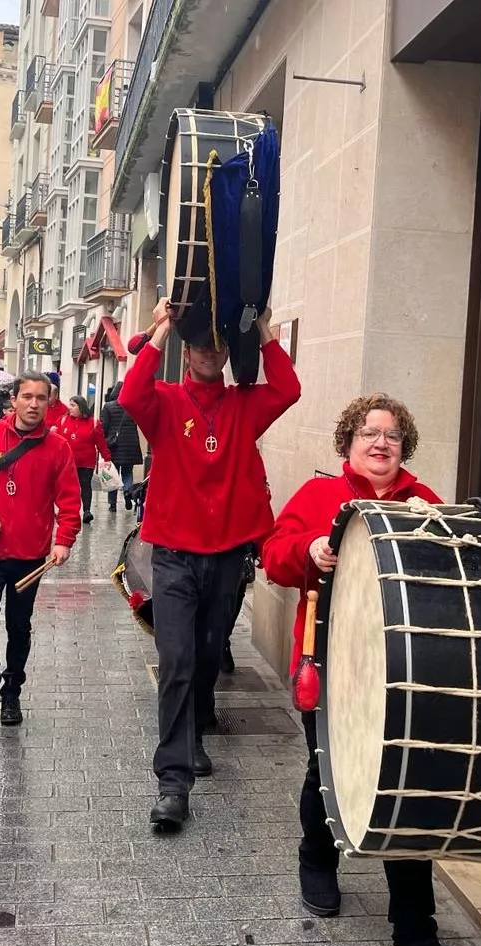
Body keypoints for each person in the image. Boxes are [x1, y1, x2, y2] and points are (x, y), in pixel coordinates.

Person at [261, 393, 464, 946]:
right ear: (348, 443)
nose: (381, 443)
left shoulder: (425, 505)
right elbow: (273, 556)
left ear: (405, 448)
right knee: (327, 768)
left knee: (406, 777)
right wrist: (310, 550)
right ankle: (317, 858)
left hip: (403, 668)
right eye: (370, 434)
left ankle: (417, 936)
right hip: (328, 662)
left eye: (393, 436)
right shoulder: (320, 497)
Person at [119, 297, 300, 832]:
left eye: (217, 343)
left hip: (227, 556)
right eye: (198, 342)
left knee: (204, 654)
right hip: (174, 555)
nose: (207, 351)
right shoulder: (167, 402)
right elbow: (131, 393)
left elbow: (289, 389)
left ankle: (196, 726)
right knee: (176, 658)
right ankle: (173, 783)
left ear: (226, 352)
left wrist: (263, 330)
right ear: (187, 348)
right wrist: (159, 330)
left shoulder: (245, 404)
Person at [0, 371, 82, 726]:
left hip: (30, 553)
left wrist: (64, 540)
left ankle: (12, 692)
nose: (33, 404)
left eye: (41, 398)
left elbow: (70, 500)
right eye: (26, 396)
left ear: (48, 403)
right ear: (13, 399)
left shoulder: (58, 447)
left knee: (18, 624)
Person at [56, 395, 111, 524]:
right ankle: (68, 511)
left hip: (86, 462)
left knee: (85, 485)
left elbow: (101, 443)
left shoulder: (93, 423)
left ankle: (86, 511)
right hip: (67, 462)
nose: (70, 408)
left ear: (81, 407)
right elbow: (56, 441)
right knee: (68, 487)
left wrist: (107, 458)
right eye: (70, 405)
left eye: (73, 405)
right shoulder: (63, 420)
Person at [100, 381, 142, 512]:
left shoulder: (108, 407)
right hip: (130, 445)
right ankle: (127, 492)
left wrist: (103, 442)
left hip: (114, 445)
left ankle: (112, 504)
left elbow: (103, 427)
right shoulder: (133, 406)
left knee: (113, 474)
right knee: (127, 472)